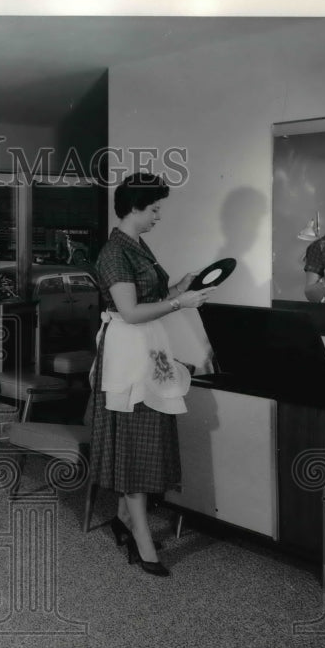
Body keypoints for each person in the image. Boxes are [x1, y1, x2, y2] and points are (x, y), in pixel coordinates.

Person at [90, 173, 215, 577]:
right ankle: (142, 539)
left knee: (147, 436)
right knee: (135, 440)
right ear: (134, 208)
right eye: (155, 207)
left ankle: (126, 520)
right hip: (128, 351)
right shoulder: (114, 252)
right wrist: (179, 303)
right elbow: (129, 312)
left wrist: (177, 288)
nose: (159, 214)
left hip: (147, 346)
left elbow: (146, 300)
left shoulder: (136, 246)